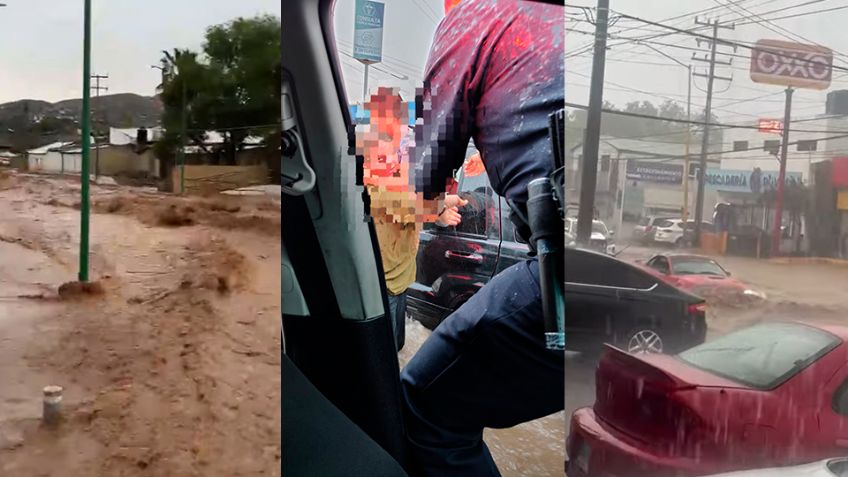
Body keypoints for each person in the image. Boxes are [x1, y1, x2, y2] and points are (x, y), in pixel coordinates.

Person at [400, 0, 564, 475]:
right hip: (615, 278)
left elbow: (424, 176)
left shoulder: (477, 18)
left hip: (561, 273)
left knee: (425, 406)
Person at [357, 87, 466, 351]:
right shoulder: (369, 164)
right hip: (381, 283)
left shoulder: (400, 160)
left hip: (401, 277)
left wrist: (438, 216)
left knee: (396, 345)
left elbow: (413, 206)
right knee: (385, 354)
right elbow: (401, 204)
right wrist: (443, 203)